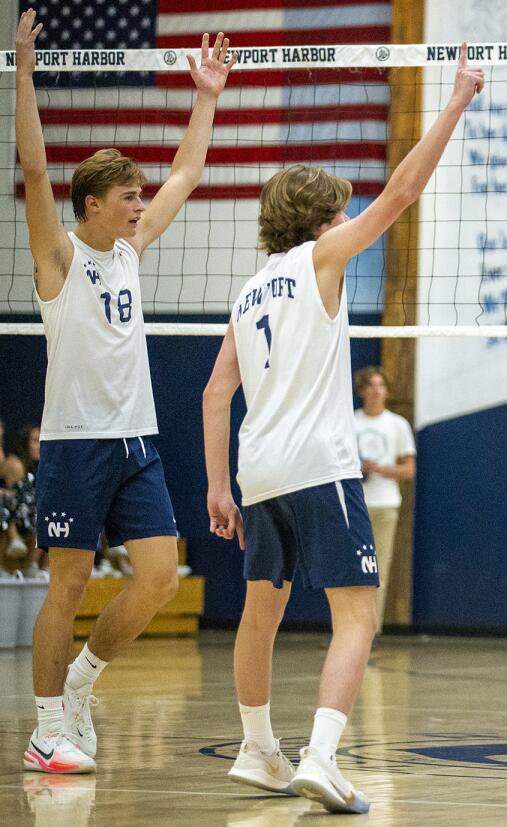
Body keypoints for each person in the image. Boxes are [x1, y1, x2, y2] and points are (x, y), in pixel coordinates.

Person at [203, 48, 483, 814]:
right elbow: (403, 190)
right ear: (323, 219)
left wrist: (217, 484)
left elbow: (214, 391)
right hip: (319, 464)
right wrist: (454, 103)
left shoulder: (249, 289)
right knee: (358, 611)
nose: (346, 221)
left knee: (261, 611)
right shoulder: (322, 257)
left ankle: (258, 748)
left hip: (257, 470)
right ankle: (321, 756)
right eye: (339, 211)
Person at [16, 9, 235, 775]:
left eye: (141, 196)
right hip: (76, 442)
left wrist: (205, 96)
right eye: (129, 197)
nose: (142, 205)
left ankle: (80, 684)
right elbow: (35, 170)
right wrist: (24, 72)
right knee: (68, 582)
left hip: (137, 441)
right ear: (95, 205)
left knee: (159, 578)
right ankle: (47, 729)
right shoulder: (59, 258)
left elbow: (188, 174)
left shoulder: (131, 253)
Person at [352, 367, 416, 630]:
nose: (377, 391)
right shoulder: (350, 421)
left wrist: (379, 469)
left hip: (385, 505)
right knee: (352, 571)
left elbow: (409, 469)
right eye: (371, 385)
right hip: (355, 506)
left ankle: (370, 632)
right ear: (362, 391)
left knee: (379, 569)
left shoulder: (397, 425)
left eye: (381, 385)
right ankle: (347, 630)